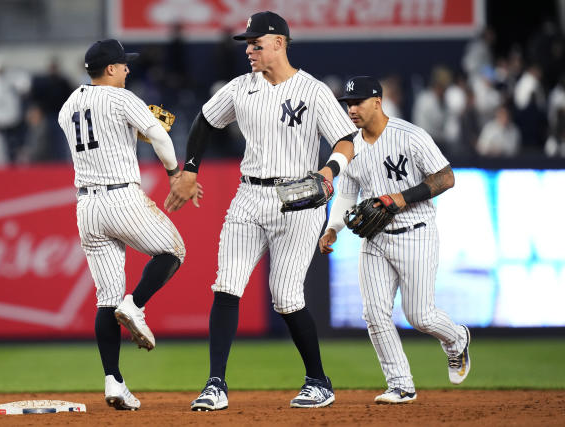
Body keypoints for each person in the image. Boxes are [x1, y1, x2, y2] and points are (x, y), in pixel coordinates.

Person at [165, 11, 357, 411]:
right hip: (249, 196)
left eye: (256, 42)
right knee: (226, 284)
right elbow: (204, 120)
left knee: (286, 297)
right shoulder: (240, 88)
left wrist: (329, 169)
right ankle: (215, 384)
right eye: (247, 44)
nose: (249, 49)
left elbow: (345, 139)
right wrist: (190, 168)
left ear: (279, 43)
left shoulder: (313, 90)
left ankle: (318, 381)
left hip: (299, 199)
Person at [58, 39, 192, 411]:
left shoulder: (68, 106)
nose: (128, 70)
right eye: (124, 65)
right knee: (173, 250)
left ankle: (113, 382)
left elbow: (101, 137)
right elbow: (162, 136)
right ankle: (136, 305)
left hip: (86, 205)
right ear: (111, 69)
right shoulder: (122, 98)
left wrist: (132, 128)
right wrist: (173, 174)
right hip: (121, 196)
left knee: (105, 298)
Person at [319, 76, 471, 404]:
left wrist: (399, 198)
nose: (352, 109)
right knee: (374, 313)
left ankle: (457, 339)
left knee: (420, 315)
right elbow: (346, 195)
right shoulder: (351, 146)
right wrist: (332, 229)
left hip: (416, 232)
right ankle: (400, 384)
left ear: (377, 101)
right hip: (374, 239)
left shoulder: (410, 135)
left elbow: (446, 177)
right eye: (348, 103)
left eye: (358, 102)